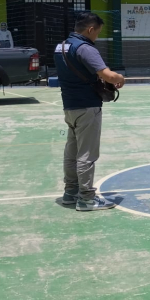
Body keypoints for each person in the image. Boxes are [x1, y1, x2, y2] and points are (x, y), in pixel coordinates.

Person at [55, 12, 125, 211]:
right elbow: (108, 76)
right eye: (98, 33)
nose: (97, 37)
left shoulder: (61, 46)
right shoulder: (85, 48)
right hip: (87, 106)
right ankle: (86, 198)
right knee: (87, 153)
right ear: (90, 29)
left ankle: (71, 192)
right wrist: (120, 77)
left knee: (72, 151)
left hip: (70, 106)